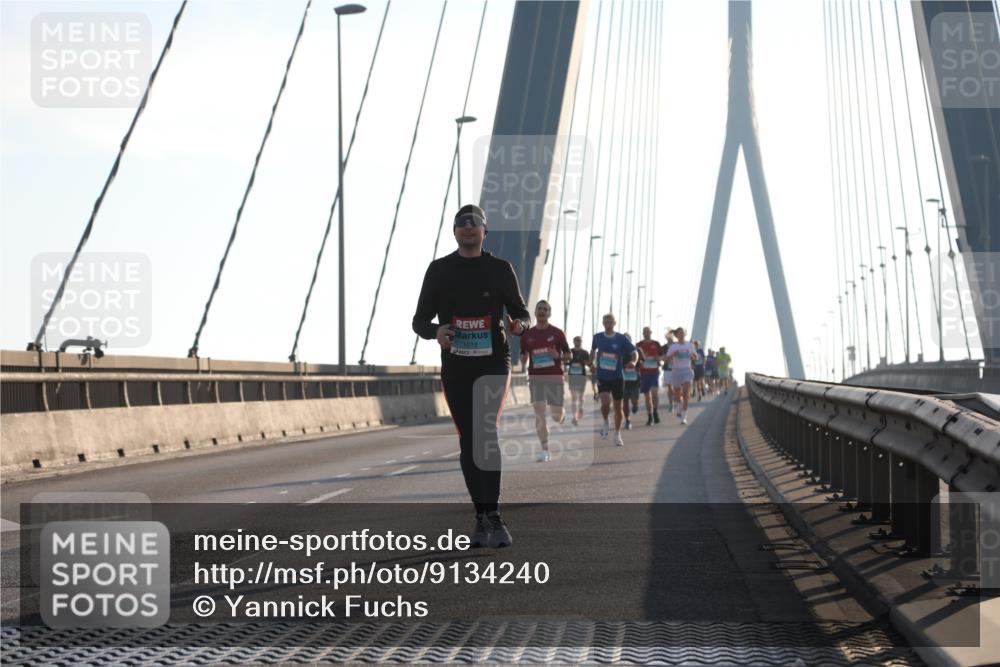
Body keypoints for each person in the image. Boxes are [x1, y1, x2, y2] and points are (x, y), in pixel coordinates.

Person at [412, 204, 530, 549]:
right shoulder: (439, 270)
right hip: (457, 365)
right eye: (461, 224)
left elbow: (521, 312)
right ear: (454, 232)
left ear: (484, 231)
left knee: (486, 431)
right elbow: (419, 321)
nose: (467, 228)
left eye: (474, 223)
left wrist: (519, 326)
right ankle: (481, 515)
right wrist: (437, 331)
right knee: (468, 440)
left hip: (493, 362)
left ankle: (495, 514)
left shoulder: (500, 269)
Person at [519, 300, 570, 463]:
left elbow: (568, 355)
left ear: (549, 313)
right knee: (539, 413)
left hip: (555, 377)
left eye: (545, 309)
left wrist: (558, 356)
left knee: (556, 416)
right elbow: (523, 355)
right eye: (539, 309)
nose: (542, 311)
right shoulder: (527, 335)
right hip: (536, 378)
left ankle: (561, 415)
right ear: (535, 312)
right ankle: (545, 449)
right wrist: (523, 359)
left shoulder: (558, 333)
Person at [590, 313, 637, 447]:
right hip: (602, 376)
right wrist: (591, 362)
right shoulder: (597, 337)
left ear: (614, 323)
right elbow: (592, 350)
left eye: (610, 321)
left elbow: (634, 352)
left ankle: (617, 433)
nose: (608, 324)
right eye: (606, 321)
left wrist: (634, 361)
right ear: (603, 323)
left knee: (618, 407)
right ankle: (606, 421)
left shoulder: (621, 338)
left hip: (617, 377)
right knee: (605, 402)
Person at [662, 327, 698, 425]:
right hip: (676, 371)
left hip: (687, 370)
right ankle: (678, 406)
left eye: (683, 333)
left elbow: (695, 357)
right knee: (677, 395)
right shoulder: (673, 347)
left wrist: (694, 356)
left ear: (685, 334)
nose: (681, 335)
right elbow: (667, 359)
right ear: (676, 335)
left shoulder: (690, 345)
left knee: (685, 394)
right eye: (679, 333)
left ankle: (684, 417)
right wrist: (674, 354)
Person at [635, 326, 662, 425]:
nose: (646, 333)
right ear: (643, 333)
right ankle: (650, 416)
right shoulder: (639, 345)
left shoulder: (656, 344)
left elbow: (662, 356)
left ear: (651, 332)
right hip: (643, 373)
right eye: (645, 332)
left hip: (654, 372)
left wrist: (658, 358)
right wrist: (639, 362)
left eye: (648, 331)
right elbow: (635, 358)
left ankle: (655, 411)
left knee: (654, 393)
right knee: (647, 397)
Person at [566, 336, 591, 426]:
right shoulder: (570, 351)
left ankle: (581, 407)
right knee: (574, 397)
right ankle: (574, 417)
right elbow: (565, 361)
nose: (578, 342)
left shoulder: (585, 352)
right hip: (572, 376)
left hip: (582, 377)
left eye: (580, 341)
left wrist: (586, 363)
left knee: (581, 397)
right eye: (576, 341)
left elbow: (589, 363)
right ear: (573, 342)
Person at [622, 333, 641, 429]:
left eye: (627, 339)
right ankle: (627, 420)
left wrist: (634, 364)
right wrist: (624, 366)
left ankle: (635, 405)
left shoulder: (637, 350)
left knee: (634, 400)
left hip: (635, 380)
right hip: (623, 381)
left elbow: (642, 362)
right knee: (624, 402)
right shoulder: (619, 351)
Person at [661, 329, 675, 412]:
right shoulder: (663, 347)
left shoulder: (677, 345)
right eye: (667, 336)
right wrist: (666, 359)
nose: (669, 337)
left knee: (677, 387)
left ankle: (678, 400)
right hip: (667, 369)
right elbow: (662, 357)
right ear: (666, 337)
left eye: (671, 336)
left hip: (678, 369)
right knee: (670, 387)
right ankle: (671, 404)